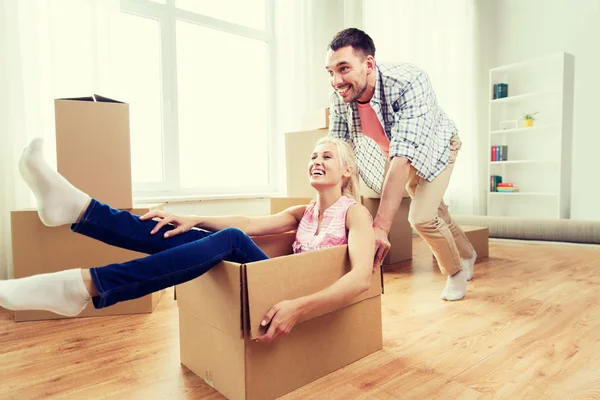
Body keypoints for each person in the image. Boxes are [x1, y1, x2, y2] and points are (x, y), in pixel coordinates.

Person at [0, 136, 375, 343]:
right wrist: (193, 217)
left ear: (346, 170)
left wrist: (298, 308)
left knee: (226, 237)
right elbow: (248, 222)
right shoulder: (302, 211)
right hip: (273, 279)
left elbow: (360, 279)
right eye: (312, 155)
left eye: (326, 155)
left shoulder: (354, 213)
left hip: (291, 298)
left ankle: (86, 260)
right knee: (194, 234)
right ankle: (80, 215)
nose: (316, 160)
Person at [325, 28, 476, 301]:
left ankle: (455, 273)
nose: (336, 80)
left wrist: (380, 228)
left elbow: (402, 158)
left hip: (438, 148)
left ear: (368, 64)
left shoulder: (409, 81)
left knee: (421, 217)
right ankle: (468, 253)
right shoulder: (340, 95)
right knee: (437, 212)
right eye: (331, 71)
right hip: (399, 154)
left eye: (344, 68)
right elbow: (338, 150)